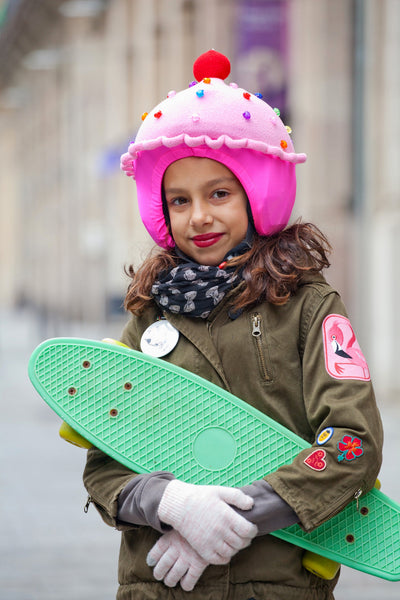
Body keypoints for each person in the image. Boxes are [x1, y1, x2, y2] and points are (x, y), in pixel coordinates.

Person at [83, 50, 383, 600]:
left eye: (219, 193)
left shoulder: (308, 307)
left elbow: (351, 443)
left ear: (257, 193)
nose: (198, 216)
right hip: (159, 587)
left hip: (276, 587)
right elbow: (104, 463)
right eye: (179, 200)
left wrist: (242, 516)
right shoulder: (149, 314)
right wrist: (173, 505)